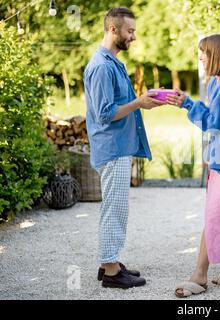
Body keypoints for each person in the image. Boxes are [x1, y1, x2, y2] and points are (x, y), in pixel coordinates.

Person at [166, 34, 220, 298]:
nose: (201, 57)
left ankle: (200, 275)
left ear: (216, 55)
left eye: (204, 52)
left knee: (216, 213)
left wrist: (187, 104)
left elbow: (213, 122)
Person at [83, 7, 163, 289]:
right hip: (113, 147)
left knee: (115, 207)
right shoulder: (102, 67)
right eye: (130, 31)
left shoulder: (113, 62)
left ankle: (109, 264)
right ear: (113, 30)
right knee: (114, 208)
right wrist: (139, 103)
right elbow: (105, 113)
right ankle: (112, 271)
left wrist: (142, 101)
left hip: (118, 146)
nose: (133, 37)